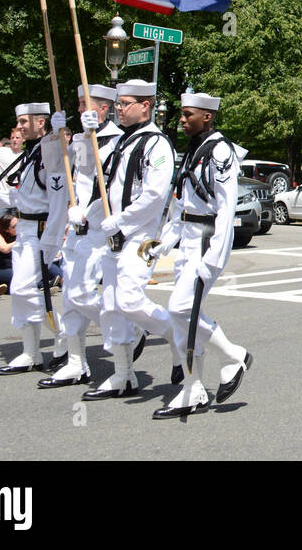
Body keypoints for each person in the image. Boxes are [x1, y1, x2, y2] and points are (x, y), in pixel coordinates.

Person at [140, 92, 254, 418]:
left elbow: (226, 207)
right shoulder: (192, 150)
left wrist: (214, 257)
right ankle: (193, 389)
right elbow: (183, 208)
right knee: (184, 320)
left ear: (207, 116)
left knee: (180, 308)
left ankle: (234, 355)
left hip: (206, 242)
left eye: (188, 114)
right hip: (188, 240)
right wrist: (163, 243)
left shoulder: (220, 151)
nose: (182, 119)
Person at [79, 79, 174, 401]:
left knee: (130, 300)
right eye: (117, 104)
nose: (118, 108)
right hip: (115, 237)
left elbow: (154, 194)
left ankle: (183, 337)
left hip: (142, 237)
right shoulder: (123, 142)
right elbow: (100, 179)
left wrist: (120, 220)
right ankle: (123, 375)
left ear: (145, 106)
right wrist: (85, 133)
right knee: (111, 307)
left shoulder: (157, 144)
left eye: (125, 103)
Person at [40, 85, 122, 389]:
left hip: (101, 229)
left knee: (82, 295)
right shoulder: (82, 137)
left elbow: (105, 177)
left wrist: (91, 140)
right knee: (71, 300)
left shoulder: (119, 139)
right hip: (78, 227)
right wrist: (54, 136)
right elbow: (59, 169)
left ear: (102, 109)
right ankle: (76, 363)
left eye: (83, 105)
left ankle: (125, 330)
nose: (77, 110)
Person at [0, 102, 62, 374]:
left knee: (25, 288)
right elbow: (26, 196)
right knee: (20, 289)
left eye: (25, 122)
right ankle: (32, 352)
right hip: (25, 225)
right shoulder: (31, 153)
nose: (19, 128)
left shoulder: (48, 152)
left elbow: (58, 197)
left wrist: (52, 236)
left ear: (41, 122)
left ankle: (64, 336)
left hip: (39, 229)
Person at [0, 128, 25, 230]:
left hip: (17, 197)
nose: (15, 140)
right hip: (0, 196)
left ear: (23, 139)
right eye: (12, 138)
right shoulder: (0, 151)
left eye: (17, 138)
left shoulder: (26, 155)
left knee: (17, 228)